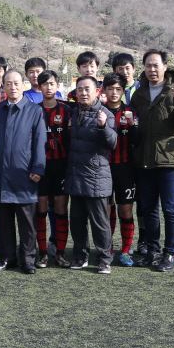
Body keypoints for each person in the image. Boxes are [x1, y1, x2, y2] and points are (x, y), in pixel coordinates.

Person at [129, 49, 174, 272]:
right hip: (144, 160)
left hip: (169, 160)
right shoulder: (139, 94)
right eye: (148, 65)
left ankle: (170, 254)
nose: (152, 69)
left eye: (156, 65)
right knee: (149, 209)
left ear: (165, 67)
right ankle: (153, 251)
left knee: (169, 209)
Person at [0, 70, 45, 274]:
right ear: (3, 86)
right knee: (3, 221)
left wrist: (38, 167)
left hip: (24, 173)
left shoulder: (34, 110)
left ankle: (28, 259)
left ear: (23, 85)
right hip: (1, 173)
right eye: (8, 84)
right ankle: (7, 258)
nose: (12, 87)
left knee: (27, 222)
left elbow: (39, 141)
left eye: (16, 83)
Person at [65, 75, 118, 273]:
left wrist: (103, 127)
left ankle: (105, 258)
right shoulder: (74, 112)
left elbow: (112, 143)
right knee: (77, 221)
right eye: (80, 89)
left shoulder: (105, 114)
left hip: (96, 177)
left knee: (100, 223)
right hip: (75, 175)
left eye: (87, 89)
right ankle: (80, 256)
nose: (83, 93)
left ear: (97, 91)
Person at [35, 70, 72, 267]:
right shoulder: (33, 110)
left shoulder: (67, 111)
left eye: (52, 83)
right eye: (45, 84)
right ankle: (42, 253)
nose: (48, 87)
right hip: (40, 167)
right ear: (39, 87)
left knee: (60, 210)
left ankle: (60, 252)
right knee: (40, 210)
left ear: (57, 86)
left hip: (61, 167)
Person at [103, 73, 138, 266]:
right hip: (103, 170)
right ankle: (108, 249)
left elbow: (138, 141)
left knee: (126, 211)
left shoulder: (131, 112)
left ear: (123, 91)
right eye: (110, 88)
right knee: (107, 212)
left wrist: (132, 124)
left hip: (125, 168)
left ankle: (125, 251)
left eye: (118, 89)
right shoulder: (98, 111)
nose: (114, 92)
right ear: (104, 90)